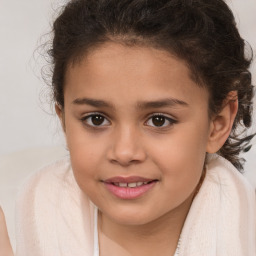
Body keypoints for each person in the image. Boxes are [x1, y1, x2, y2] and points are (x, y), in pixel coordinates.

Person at [13, 0, 256, 255]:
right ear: (64, 121)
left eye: (159, 120)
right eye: (96, 119)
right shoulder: (18, 229)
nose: (124, 152)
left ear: (218, 124)